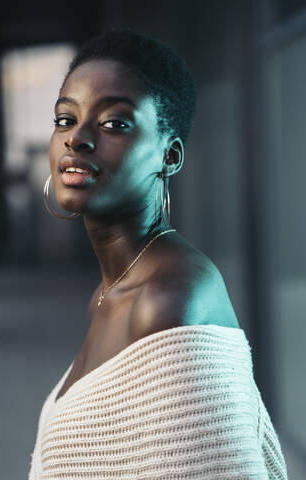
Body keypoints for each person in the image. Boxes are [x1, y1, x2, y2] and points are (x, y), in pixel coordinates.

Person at [28, 28, 288, 479]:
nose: (76, 138)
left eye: (113, 123)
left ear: (169, 156)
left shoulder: (171, 298)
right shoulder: (110, 293)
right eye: (65, 120)